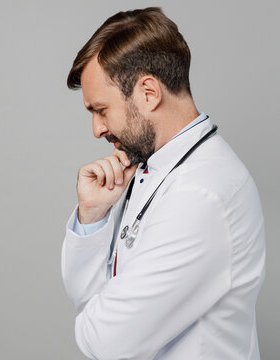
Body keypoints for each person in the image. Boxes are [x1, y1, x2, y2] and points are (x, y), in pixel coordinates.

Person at [61, 7, 266, 360]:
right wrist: (92, 215)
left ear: (149, 92)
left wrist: (98, 316)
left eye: (100, 110)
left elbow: (108, 342)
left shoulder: (201, 194)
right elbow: (85, 296)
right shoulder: (150, 166)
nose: (97, 130)